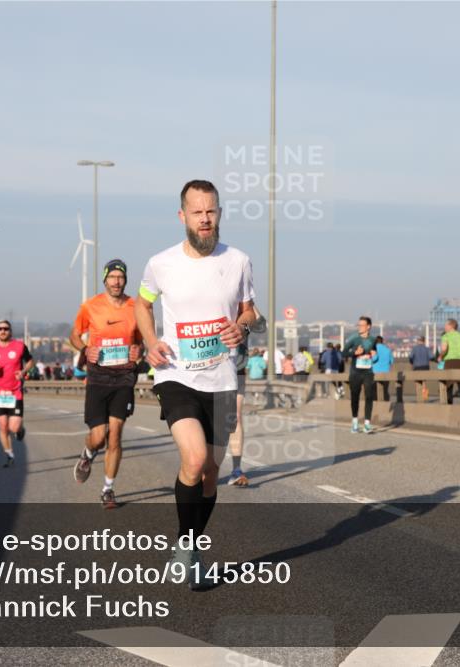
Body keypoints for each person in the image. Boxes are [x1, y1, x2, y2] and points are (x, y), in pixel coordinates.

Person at [135, 179, 256, 589]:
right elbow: (142, 303)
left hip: (221, 379)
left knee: (210, 473)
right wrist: (151, 342)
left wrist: (241, 327)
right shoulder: (160, 263)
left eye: (212, 211)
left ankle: (189, 547)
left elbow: (250, 311)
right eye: (197, 212)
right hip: (176, 375)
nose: (205, 219)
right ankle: (188, 548)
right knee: (194, 458)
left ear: (219, 213)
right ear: (182, 216)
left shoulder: (238, 260)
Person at [70, 259, 143, 509]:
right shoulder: (90, 306)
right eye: (112, 277)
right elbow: (74, 335)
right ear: (105, 279)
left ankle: (107, 490)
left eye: (120, 277)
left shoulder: (136, 306)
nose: (116, 281)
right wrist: (85, 348)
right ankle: (87, 454)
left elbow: (142, 340)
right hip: (98, 378)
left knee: (116, 437)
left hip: (124, 378)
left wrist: (138, 351)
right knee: (98, 437)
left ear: (125, 280)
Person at [0, 319, 35, 467]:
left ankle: (20, 429)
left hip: (15, 392)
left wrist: (24, 371)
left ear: (10, 331)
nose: (3, 331)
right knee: (2, 425)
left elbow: (30, 361)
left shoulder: (19, 346)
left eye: (6, 328)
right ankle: (9, 454)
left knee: (13, 427)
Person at [229, 308, 267, 488]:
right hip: (208, 371)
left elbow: (261, 326)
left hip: (237, 370)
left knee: (235, 418)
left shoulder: (244, 308)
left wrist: (249, 306)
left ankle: (236, 469)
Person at [342, 316, 378, 433]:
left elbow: (375, 356)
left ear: (368, 327)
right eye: (358, 325)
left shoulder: (373, 340)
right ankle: (355, 423)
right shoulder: (353, 338)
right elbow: (343, 353)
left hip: (368, 372)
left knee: (369, 396)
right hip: (355, 373)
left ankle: (367, 424)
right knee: (355, 398)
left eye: (362, 325)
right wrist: (354, 353)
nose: (359, 327)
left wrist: (374, 355)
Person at [438, 319, 460, 405]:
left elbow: (444, 349)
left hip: (450, 362)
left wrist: (440, 356)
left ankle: (449, 404)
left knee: (448, 385)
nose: (444, 327)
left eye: (446, 325)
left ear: (450, 326)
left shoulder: (446, 336)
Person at [408, 336, 432, 402]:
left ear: (418, 341)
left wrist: (412, 363)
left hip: (417, 367)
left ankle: (418, 398)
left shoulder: (414, 349)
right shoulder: (427, 349)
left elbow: (410, 357)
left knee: (417, 382)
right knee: (424, 382)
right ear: (424, 341)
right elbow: (431, 357)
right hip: (425, 367)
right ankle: (424, 397)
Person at [372, 335, 394, 401]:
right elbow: (391, 361)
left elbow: (374, 359)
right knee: (385, 390)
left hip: (375, 373)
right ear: (382, 342)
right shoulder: (388, 350)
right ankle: (385, 405)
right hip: (386, 373)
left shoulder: (374, 349)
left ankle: (376, 406)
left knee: (374, 392)